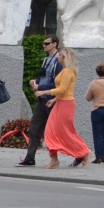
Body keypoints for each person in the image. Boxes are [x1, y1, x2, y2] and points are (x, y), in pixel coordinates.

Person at [33, 47, 90, 169]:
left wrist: (43, 92)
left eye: (59, 55)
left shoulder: (68, 71)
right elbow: (63, 92)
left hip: (66, 105)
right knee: (53, 131)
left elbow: (63, 90)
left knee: (62, 131)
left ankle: (83, 151)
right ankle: (56, 159)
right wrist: (54, 100)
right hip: (61, 103)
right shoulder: (65, 71)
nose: (57, 57)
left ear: (64, 58)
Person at [16, 36, 62, 167]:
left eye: (46, 43)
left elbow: (57, 84)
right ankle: (30, 158)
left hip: (52, 100)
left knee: (56, 131)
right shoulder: (46, 60)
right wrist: (35, 82)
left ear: (54, 44)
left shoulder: (59, 61)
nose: (44, 45)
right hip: (42, 100)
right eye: (43, 43)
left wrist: (40, 87)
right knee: (34, 128)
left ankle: (79, 153)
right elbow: (42, 77)